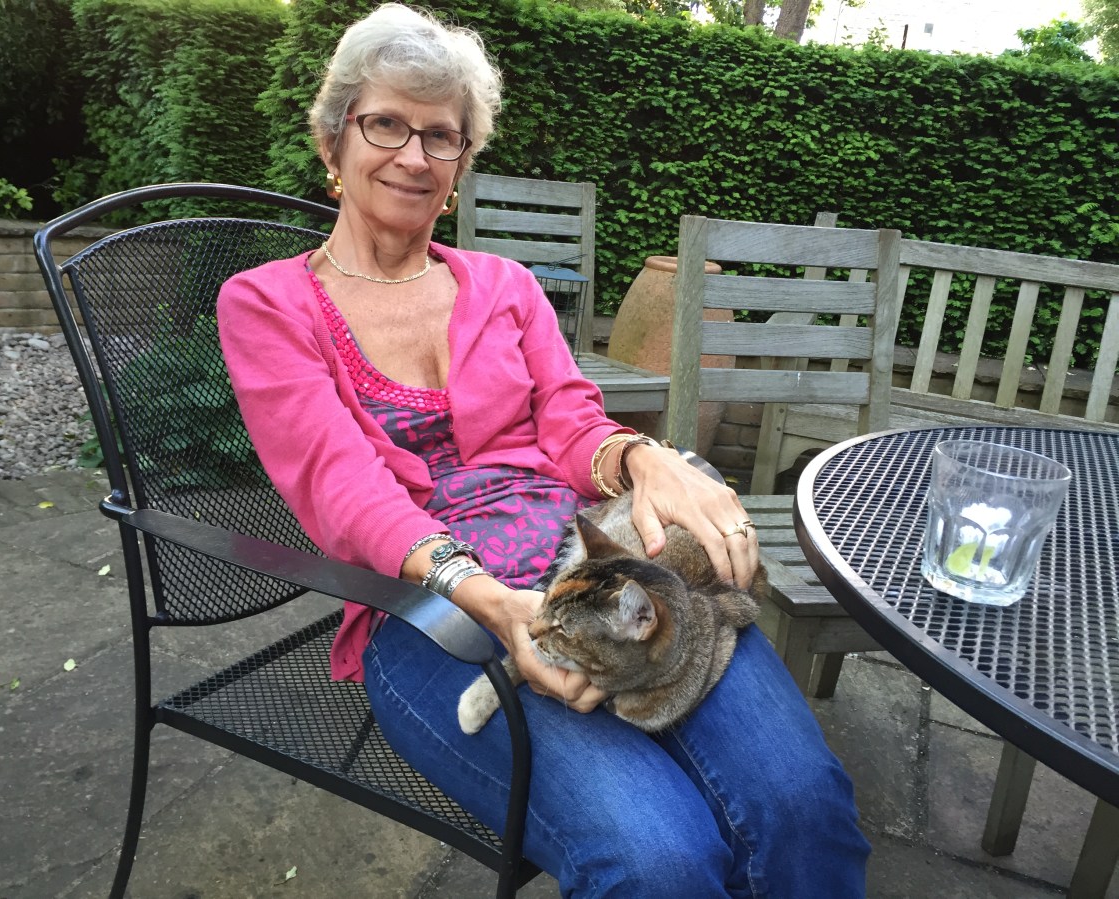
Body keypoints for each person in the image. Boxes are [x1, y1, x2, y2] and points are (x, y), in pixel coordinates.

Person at [218, 4, 870, 895]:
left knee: (806, 804)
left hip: (595, 572)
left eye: (441, 135)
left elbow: (570, 420)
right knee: (659, 857)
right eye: (386, 124)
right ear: (334, 140)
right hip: (429, 617)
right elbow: (341, 486)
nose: (414, 155)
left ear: (461, 162)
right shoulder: (266, 303)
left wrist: (646, 461)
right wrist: (491, 602)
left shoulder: (506, 285)